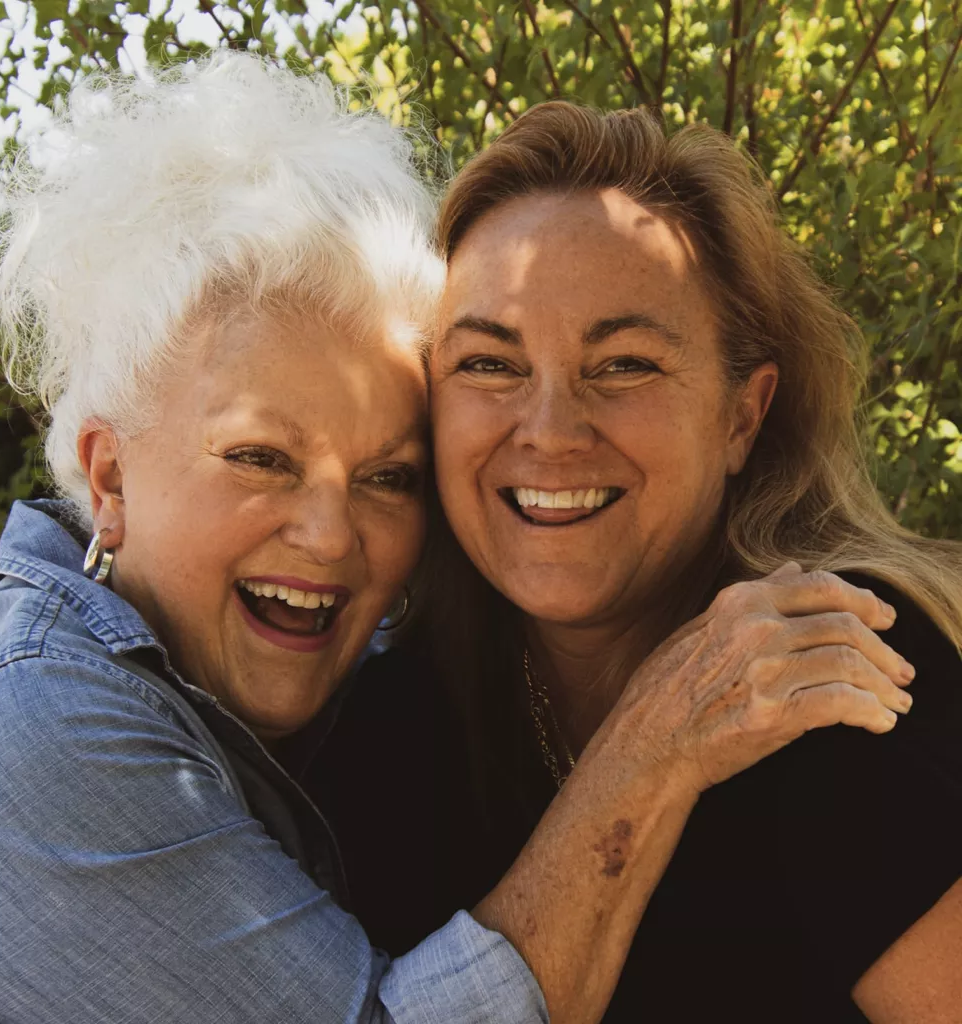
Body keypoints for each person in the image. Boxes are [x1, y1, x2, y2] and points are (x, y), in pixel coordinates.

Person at [0, 60, 915, 1024]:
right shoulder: (29, 727)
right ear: (109, 476)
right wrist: (649, 747)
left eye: (388, 476)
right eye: (259, 457)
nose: (329, 537)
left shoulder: (377, 708)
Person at [307, 103, 962, 1023]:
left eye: (623, 365)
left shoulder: (835, 677)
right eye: (490, 366)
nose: (550, 433)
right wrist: (652, 749)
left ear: (742, 414)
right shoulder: (387, 730)